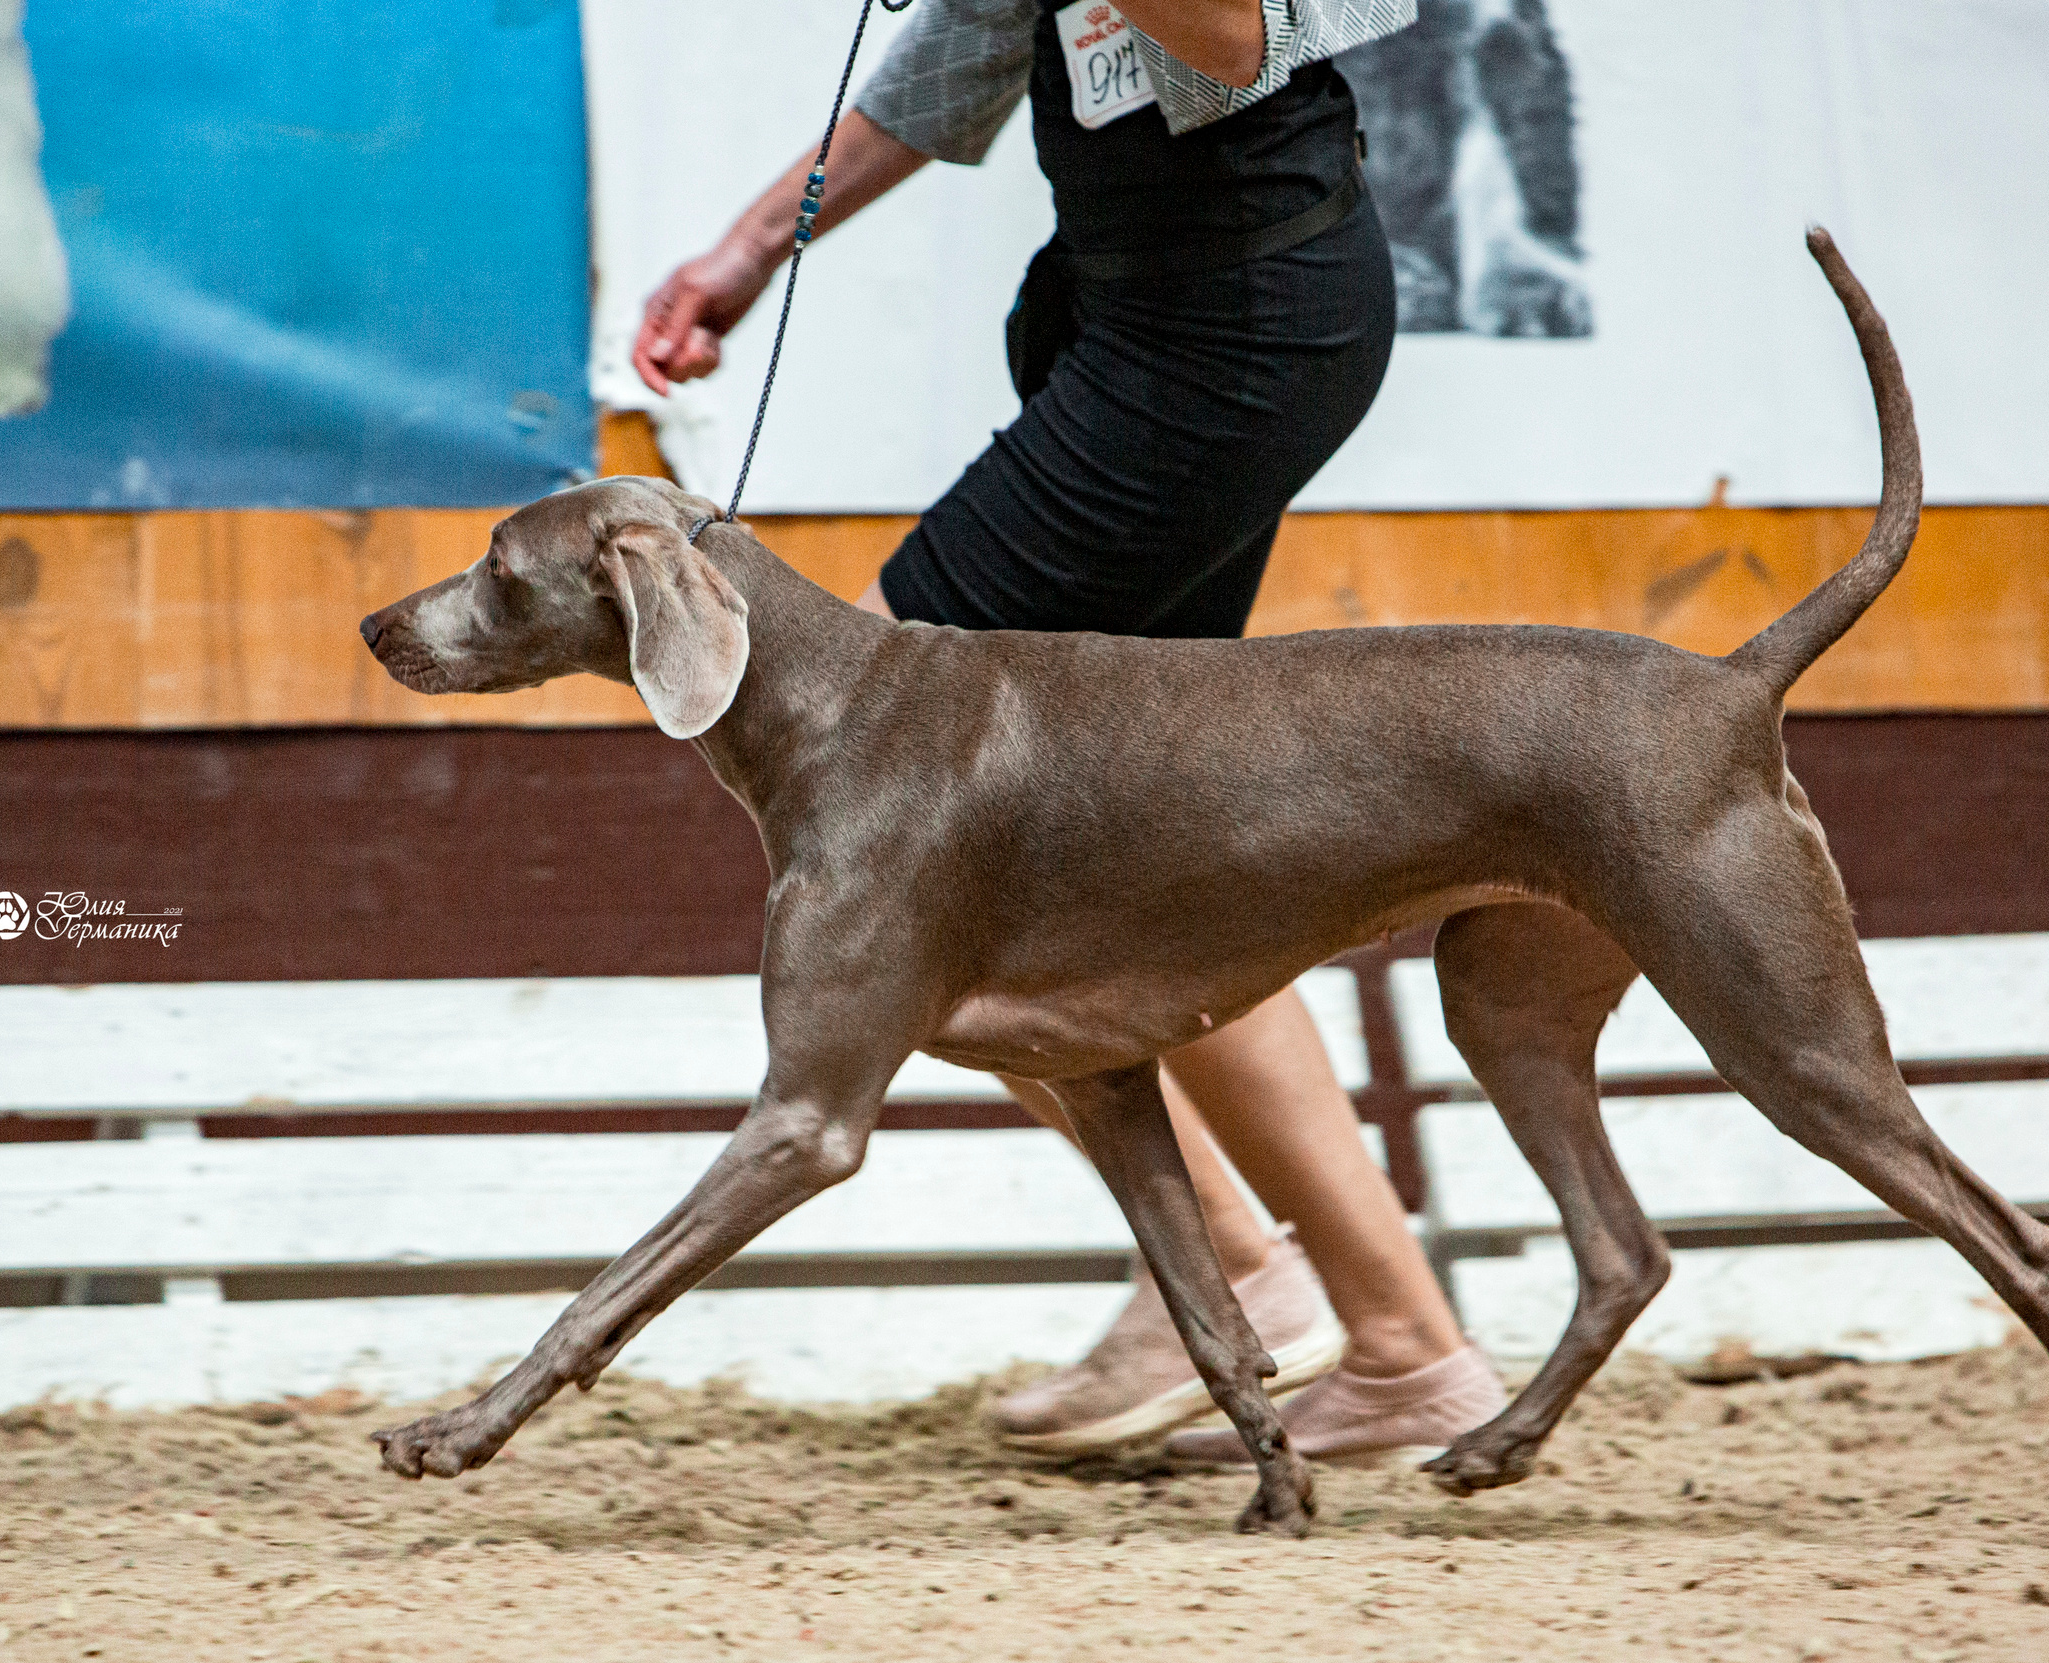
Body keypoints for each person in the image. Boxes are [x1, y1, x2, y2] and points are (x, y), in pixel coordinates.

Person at [634, 0, 1506, 1466]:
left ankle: (1240, 1268)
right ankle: (1401, 1348)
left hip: (1231, 324)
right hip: (1167, 314)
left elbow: (1228, 39)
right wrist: (746, 248)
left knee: (891, 778)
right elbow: (973, 37)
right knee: (1131, 847)